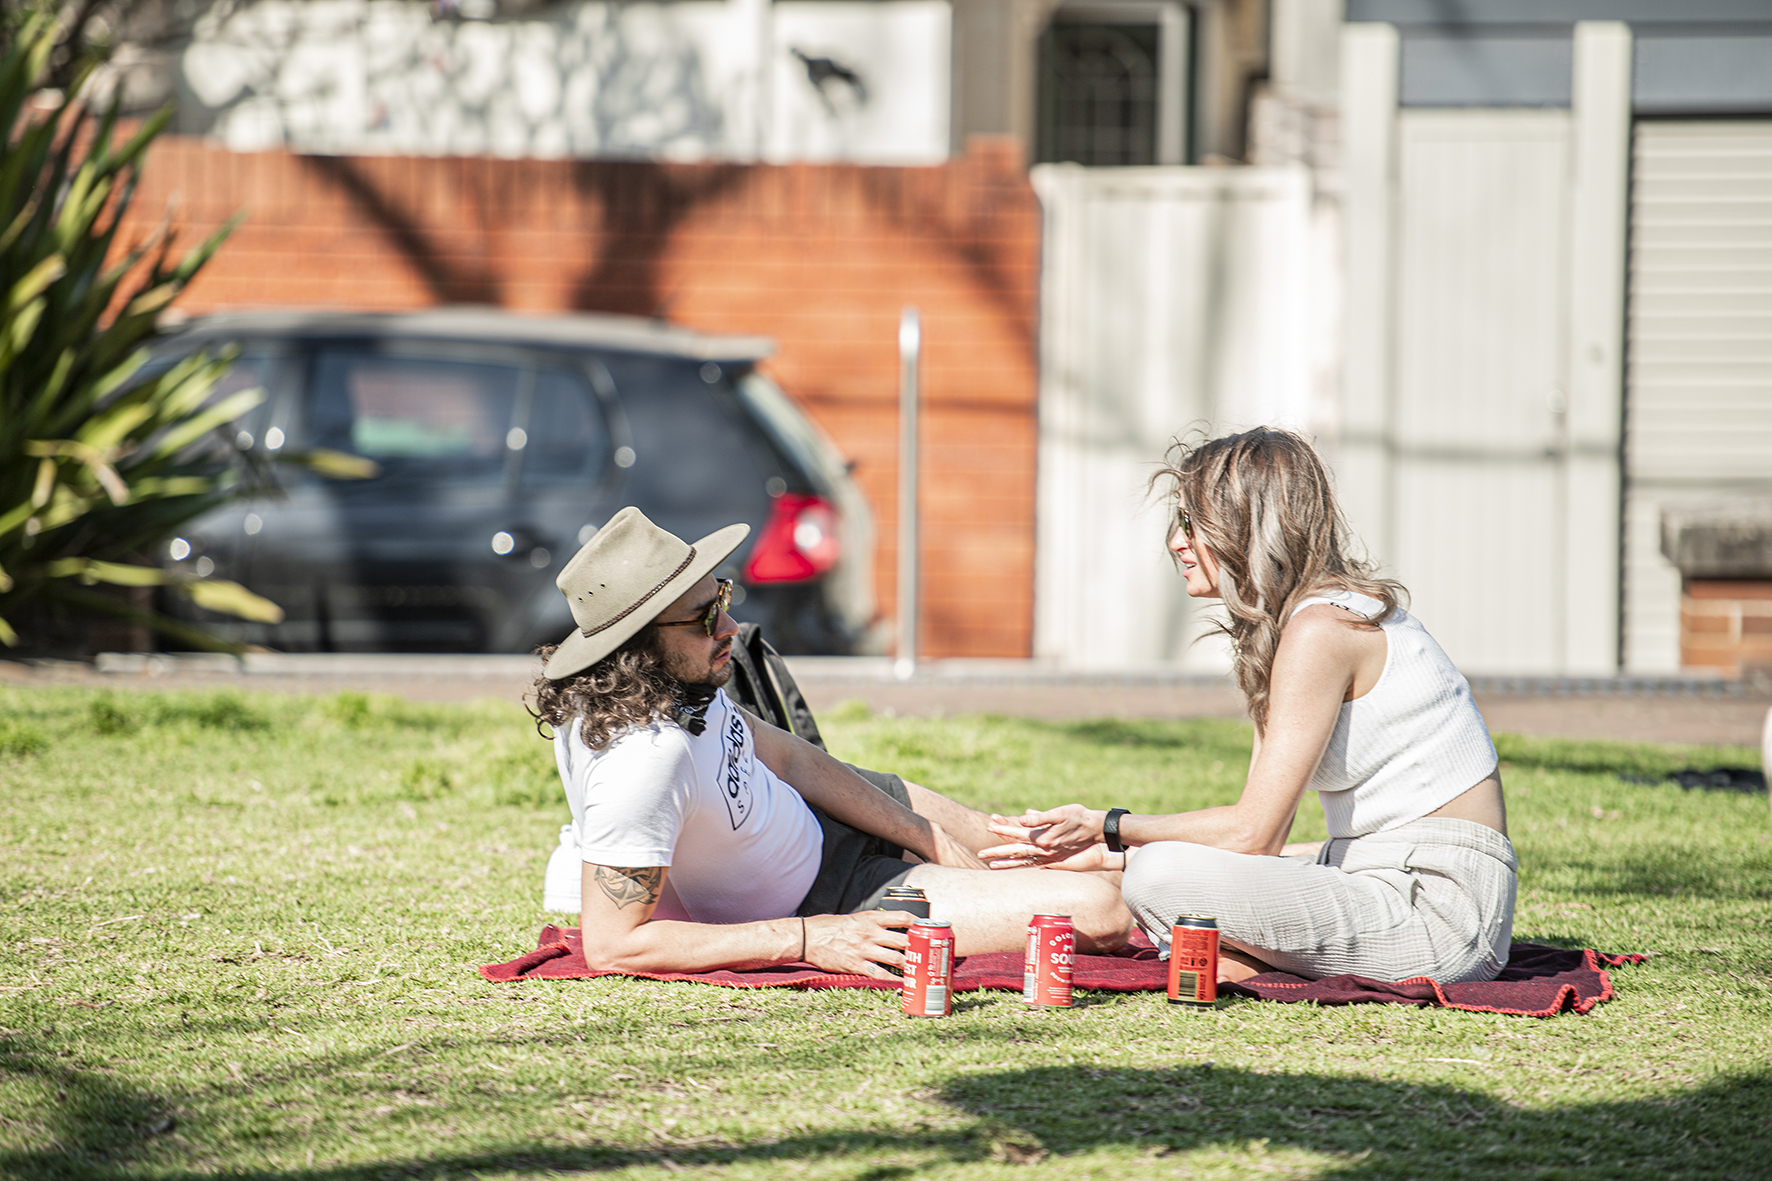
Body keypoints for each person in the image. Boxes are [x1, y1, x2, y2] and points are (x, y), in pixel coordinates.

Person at [982, 428, 1515, 984]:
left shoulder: (1323, 628)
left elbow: (1251, 836)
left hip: (1441, 916)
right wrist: (1114, 854)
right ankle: (1239, 958)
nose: (1175, 542)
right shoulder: (1292, 631)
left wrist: (1108, 827)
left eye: (1192, 524)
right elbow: (1262, 838)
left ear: (1246, 526)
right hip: (1376, 877)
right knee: (1153, 866)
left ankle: (1240, 959)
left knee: (1160, 873)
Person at [532, 507, 1131, 981]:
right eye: (701, 618)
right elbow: (614, 946)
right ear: (634, 645)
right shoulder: (640, 760)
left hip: (828, 816)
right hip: (832, 894)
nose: (730, 628)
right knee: (1100, 911)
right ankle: (1147, 867)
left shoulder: (676, 680)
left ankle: (1164, 851)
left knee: (1027, 848)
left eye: (722, 599)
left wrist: (928, 838)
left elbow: (791, 757)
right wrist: (810, 937)